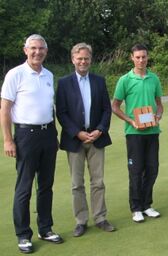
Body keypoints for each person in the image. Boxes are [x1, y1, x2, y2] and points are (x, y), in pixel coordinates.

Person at [1, 34, 63, 253]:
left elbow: (49, 107)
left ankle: (45, 228)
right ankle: (23, 234)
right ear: (25, 50)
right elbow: (5, 109)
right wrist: (8, 139)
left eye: (41, 48)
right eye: (33, 48)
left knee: (46, 186)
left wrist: (54, 135)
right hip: (26, 136)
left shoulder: (48, 75)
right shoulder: (15, 74)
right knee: (24, 187)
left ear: (46, 51)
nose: (38, 52)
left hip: (48, 134)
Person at [56, 43, 115, 237]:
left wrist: (100, 129)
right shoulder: (64, 83)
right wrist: (77, 133)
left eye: (86, 58)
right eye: (79, 58)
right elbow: (62, 113)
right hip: (75, 140)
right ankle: (81, 221)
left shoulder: (99, 80)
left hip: (96, 138)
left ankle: (100, 217)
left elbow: (107, 109)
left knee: (98, 182)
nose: (83, 62)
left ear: (90, 60)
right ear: (73, 59)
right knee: (76, 183)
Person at [112, 44, 163, 222]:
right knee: (136, 170)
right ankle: (136, 208)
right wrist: (131, 120)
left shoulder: (154, 78)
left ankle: (147, 204)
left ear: (147, 58)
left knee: (152, 169)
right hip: (134, 133)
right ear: (132, 58)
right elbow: (115, 106)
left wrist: (158, 116)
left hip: (152, 131)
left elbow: (160, 104)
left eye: (144, 57)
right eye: (138, 57)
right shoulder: (125, 80)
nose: (141, 60)